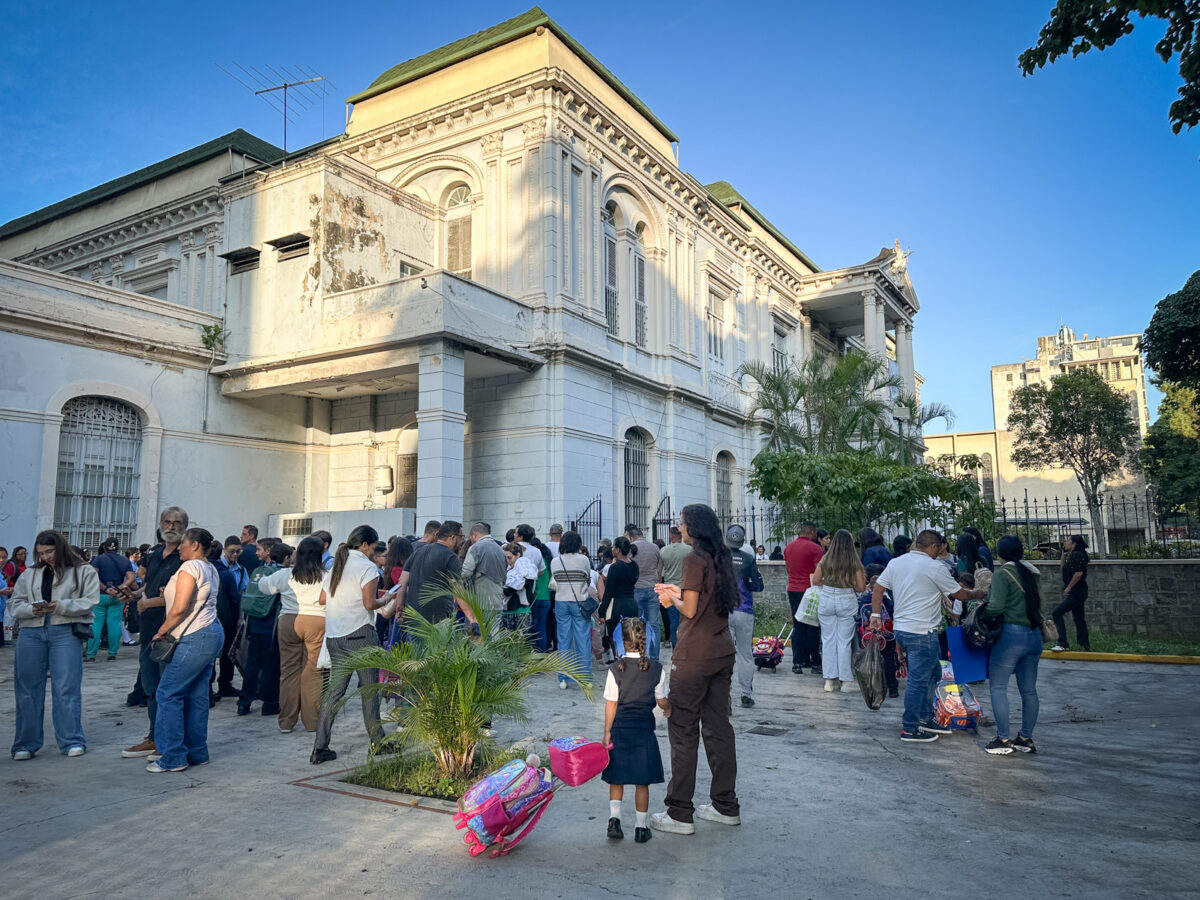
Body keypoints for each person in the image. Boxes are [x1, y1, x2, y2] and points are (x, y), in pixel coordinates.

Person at [650, 504, 740, 835]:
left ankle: (679, 812)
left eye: (682, 523)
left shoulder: (693, 559)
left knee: (683, 729)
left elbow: (688, 609)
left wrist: (671, 600)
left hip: (693, 655)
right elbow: (702, 601)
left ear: (693, 529)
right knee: (718, 727)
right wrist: (677, 593)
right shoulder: (721, 557)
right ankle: (725, 805)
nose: (679, 527)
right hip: (721, 651)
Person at [871, 530, 984, 742]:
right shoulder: (934, 567)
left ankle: (925, 717)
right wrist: (979, 593)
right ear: (933, 547)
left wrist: (875, 614)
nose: (941, 553)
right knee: (918, 682)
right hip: (922, 632)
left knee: (934, 673)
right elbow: (959, 594)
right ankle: (910, 727)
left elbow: (878, 587)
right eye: (940, 549)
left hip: (903, 630)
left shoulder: (897, 562)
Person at [10, 531, 99, 759]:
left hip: (65, 630)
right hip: (31, 631)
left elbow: (90, 601)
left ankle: (71, 740)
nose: (46, 556)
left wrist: (61, 605)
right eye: (41, 553)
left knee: (66, 686)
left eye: (50, 551)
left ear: (60, 548)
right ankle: (25, 744)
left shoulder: (83, 571)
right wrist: (32, 609)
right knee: (27, 688)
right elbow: (15, 603)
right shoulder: (29, 574)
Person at [311, 525, 391, 765]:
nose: (375, 552)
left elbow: (324, 598)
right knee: (369, 691)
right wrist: (387, 598)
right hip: (360, 635)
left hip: (336, 636)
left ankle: (319, 747)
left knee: (333, 694)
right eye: (375, 547)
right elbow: (369, 604)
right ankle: (377, 742)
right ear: (365, 545)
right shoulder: (368, 567)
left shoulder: (337, 565)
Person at [147, 528, 223, 773]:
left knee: (167, 694)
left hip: (193, 636)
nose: (179, 547)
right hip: (211, 632)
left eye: (183, 544)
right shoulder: (210, 568)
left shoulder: (190, 568)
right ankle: (196, 752)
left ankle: (172, 756)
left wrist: (161, 631)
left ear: (196, 545)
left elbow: (180, 609)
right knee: (197, 695)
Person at [123, 507, 187, 759]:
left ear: (184, 526)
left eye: (176, 523)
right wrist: (134, 594)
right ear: (160, 524)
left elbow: (178, 597)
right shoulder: (155, 553)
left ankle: (168, 742)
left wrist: (149, 602)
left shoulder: (185, 557)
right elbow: (149, 586)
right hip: (149, 630)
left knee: (168, 690)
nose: (171, 526)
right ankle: (153, 737)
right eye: (167, 522)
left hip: (171, 631)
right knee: (151, 687)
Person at [602, 617, 670, 844]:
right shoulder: (656, 669)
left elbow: (611, 703)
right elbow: (661, 701)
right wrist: (669, 710)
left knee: (617, 778)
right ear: (645, 639)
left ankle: (614, 819)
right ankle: (641, 827)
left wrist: (607, 732)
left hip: (620, 730)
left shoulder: (615, 668)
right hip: (644, 732)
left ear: (622, 640)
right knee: (643, 782)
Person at [983, 535, 1046, 755]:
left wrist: (982, 613)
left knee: (998, 687)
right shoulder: (1031, 573)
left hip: (1011, 636)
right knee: (1029, 690)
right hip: (1034, 635)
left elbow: (995, 606)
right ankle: (1025, 738)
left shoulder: (1002, 574)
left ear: (999, 554)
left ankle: (1003, 739)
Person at [259, 535, 326, 733]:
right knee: (313, 672)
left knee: (288, 671)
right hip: (317, 621)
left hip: (289, 620)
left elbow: (264, 587)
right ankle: (312, 721)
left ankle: (286, 722)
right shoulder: (327, 576)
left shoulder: (285, 575)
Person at [813, 529, 867, 692]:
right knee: (844, 641)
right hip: (846, 599)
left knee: (828, 639)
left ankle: (830, 680)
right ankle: (846, 680)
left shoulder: (826, 558)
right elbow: (861, 587)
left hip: (827, 598)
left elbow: (815, 580)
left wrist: (828, 582)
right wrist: (848, 583)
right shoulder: (853, 561)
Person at [391, 521, 473, 626]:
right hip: (438, 619)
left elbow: (402, 582)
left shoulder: (418, 552)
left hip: (414, 616)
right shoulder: (450, 557)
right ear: (453, 538)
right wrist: (473, 619)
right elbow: (458, 589)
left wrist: (399, 607)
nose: (462, 541)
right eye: (461, 536)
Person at [237, 543, 285, 717]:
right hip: (271, 626)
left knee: (252, 663)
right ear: (286, 558)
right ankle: (269, 703)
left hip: (254, 623)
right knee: (271, 666)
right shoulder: (282, 574)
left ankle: (244, 702)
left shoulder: (259, 571)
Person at [549, 531, 593, 690]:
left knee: (563, 640)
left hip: (561, 601)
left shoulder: (555, 561)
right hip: (579, 601)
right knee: (583, 639)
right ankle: (585, 678)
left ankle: (563, 678)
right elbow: (587, 578)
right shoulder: (583, 560)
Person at [726, 525, 763, 708]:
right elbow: (758, 585)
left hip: (722, 610)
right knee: (745, 654)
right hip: (744, 609)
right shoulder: (748, 559)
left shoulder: (718, 557)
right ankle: (746, 694)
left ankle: (724, 692)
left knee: (723, 653)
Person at [87, 536, 136, 662]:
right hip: (117, 596)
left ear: (104, 547)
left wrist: (105, 588)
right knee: (114, 624)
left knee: (96, 624)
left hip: (100, 595)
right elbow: (131, 578)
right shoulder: (124, 561)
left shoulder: (98, 559)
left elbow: (94, 576)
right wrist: (120, 587)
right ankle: (112, 653)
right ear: (118, 548)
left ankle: (91, 654)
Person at [783, 523, 823, 674]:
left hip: (793, 589)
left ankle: (797, 662)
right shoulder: (815, 548)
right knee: (813, 626)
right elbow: (819, 571)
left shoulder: (789, 547)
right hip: (810, 591)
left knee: (798, 627)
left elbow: (788, 568)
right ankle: (815, 663)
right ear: (811, 532)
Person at [856, 564, 899, 698]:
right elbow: (893, 612)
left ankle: (874, 687)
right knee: (888, 660)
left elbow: (858, 618)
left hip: (867, 635)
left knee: (871, 659)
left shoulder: (862, 598)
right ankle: (892, 688)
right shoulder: (886, 598)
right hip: (886, 636)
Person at [212, 536, 247, 699]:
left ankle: (225, 684)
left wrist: (240, 617)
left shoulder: (240, 570)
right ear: (224, 550)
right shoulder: (217, 569)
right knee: (212, 653)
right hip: (215, 615)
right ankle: (209, 687)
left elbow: (242, 593)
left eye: (238, 551)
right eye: (232, 551)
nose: (235, 554)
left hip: (231, 617)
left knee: (229, 652)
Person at [625, 525, 662, 659]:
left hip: (637, 587)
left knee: (637, 624)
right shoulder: (654, 547)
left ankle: (639, 655)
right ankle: (654, 657)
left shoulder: (631, 548)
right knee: (654, 624)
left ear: (630, 536)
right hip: (653, 587)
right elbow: (659, 570)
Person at [516, 525, 553, 651]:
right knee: (541, 627)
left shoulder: (509, 548)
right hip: (541, 595)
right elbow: (541, 571)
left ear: (520, 536)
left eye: (516, 533)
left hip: (526, 595)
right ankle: (541, 654)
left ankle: (527, 652)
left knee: (527, 627)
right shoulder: (537, 552)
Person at [1052, 535, 1091, 652]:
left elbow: (1078, 573)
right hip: (1080, 592)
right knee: (1079, 618)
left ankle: (1062, 643)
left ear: (1073, 543)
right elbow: (1063, 568)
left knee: (1056, 613)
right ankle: (1085, 646)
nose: (1065, 542)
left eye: (1068, 540)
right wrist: (1063, 556)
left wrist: (1068, 587)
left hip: (1076, 592)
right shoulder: (1075, 554)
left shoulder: (1075, 555)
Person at [462, 523, 507, 618]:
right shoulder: (500, 549)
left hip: (480, 603)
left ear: (474, 535)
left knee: (476, 632)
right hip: (497, 602)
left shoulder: (476, 547)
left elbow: (465, 573)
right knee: (495, 632)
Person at [601, 537, 639, 651]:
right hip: (631, 604)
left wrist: (602, 611)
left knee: (615, 638)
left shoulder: (615, 568)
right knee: (630, 639)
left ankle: (620, 663)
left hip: (616, 605)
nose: (612, 549)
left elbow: (609, 592)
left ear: (617, 550)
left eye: (613, 547)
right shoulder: (634, 566)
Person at [658, 526, 691, 646]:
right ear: (681, 535)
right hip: (685, 588)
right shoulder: (689, 550)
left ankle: (676, 647)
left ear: (671, 536)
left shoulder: (663, 551)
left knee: (674, 620)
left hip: (669, 589)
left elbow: (659, 571)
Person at [501, 542, 537, 635]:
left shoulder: (527, 568)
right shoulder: (508, 569)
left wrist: (507, 591)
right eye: (505, 558)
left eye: (509, 558)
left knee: (521, 642)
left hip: (521, 609)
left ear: (518, 555)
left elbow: (523, 583)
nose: (508, 561)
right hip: (507, 610)